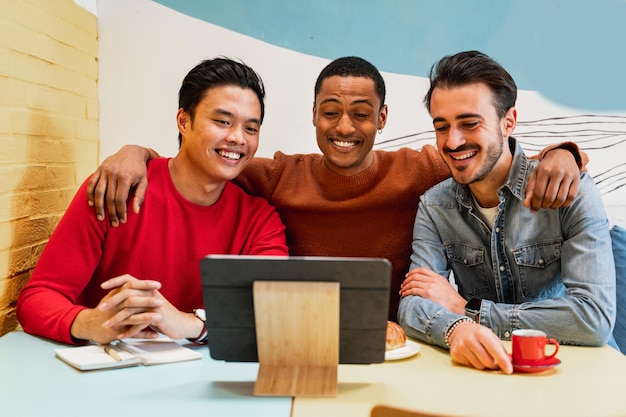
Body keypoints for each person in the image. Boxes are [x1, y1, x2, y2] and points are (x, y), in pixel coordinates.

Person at [85, 56, 586, 321]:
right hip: (302, 336)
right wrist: (139, 154)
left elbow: (489, 153)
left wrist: (567, 152)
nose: (344, 127)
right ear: (314, 116)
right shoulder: (279, 175)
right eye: (330, 112)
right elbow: (209, 160)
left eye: (361, 114)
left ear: (382, 119)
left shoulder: (422, 169)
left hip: (398, 339)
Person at [16, 58, 288, 345]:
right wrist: (89, 322)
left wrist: (187, 322)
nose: (237, 138)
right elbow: (37, 298)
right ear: (184, 121)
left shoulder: (260, 220)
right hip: (107, 370)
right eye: (222, 121)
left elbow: (271, 312)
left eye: (251, 128)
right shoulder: (116, 189)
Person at [398, 50, 616, 374]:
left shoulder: (571, 191)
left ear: (508, 122)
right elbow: (414, 305)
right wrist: (455, 328)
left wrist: (470, 311)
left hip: (576, 369)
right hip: (485, 371)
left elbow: (592, 319)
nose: (453, 141)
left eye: (469, 123)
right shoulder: (434, 207)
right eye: (441, 127)